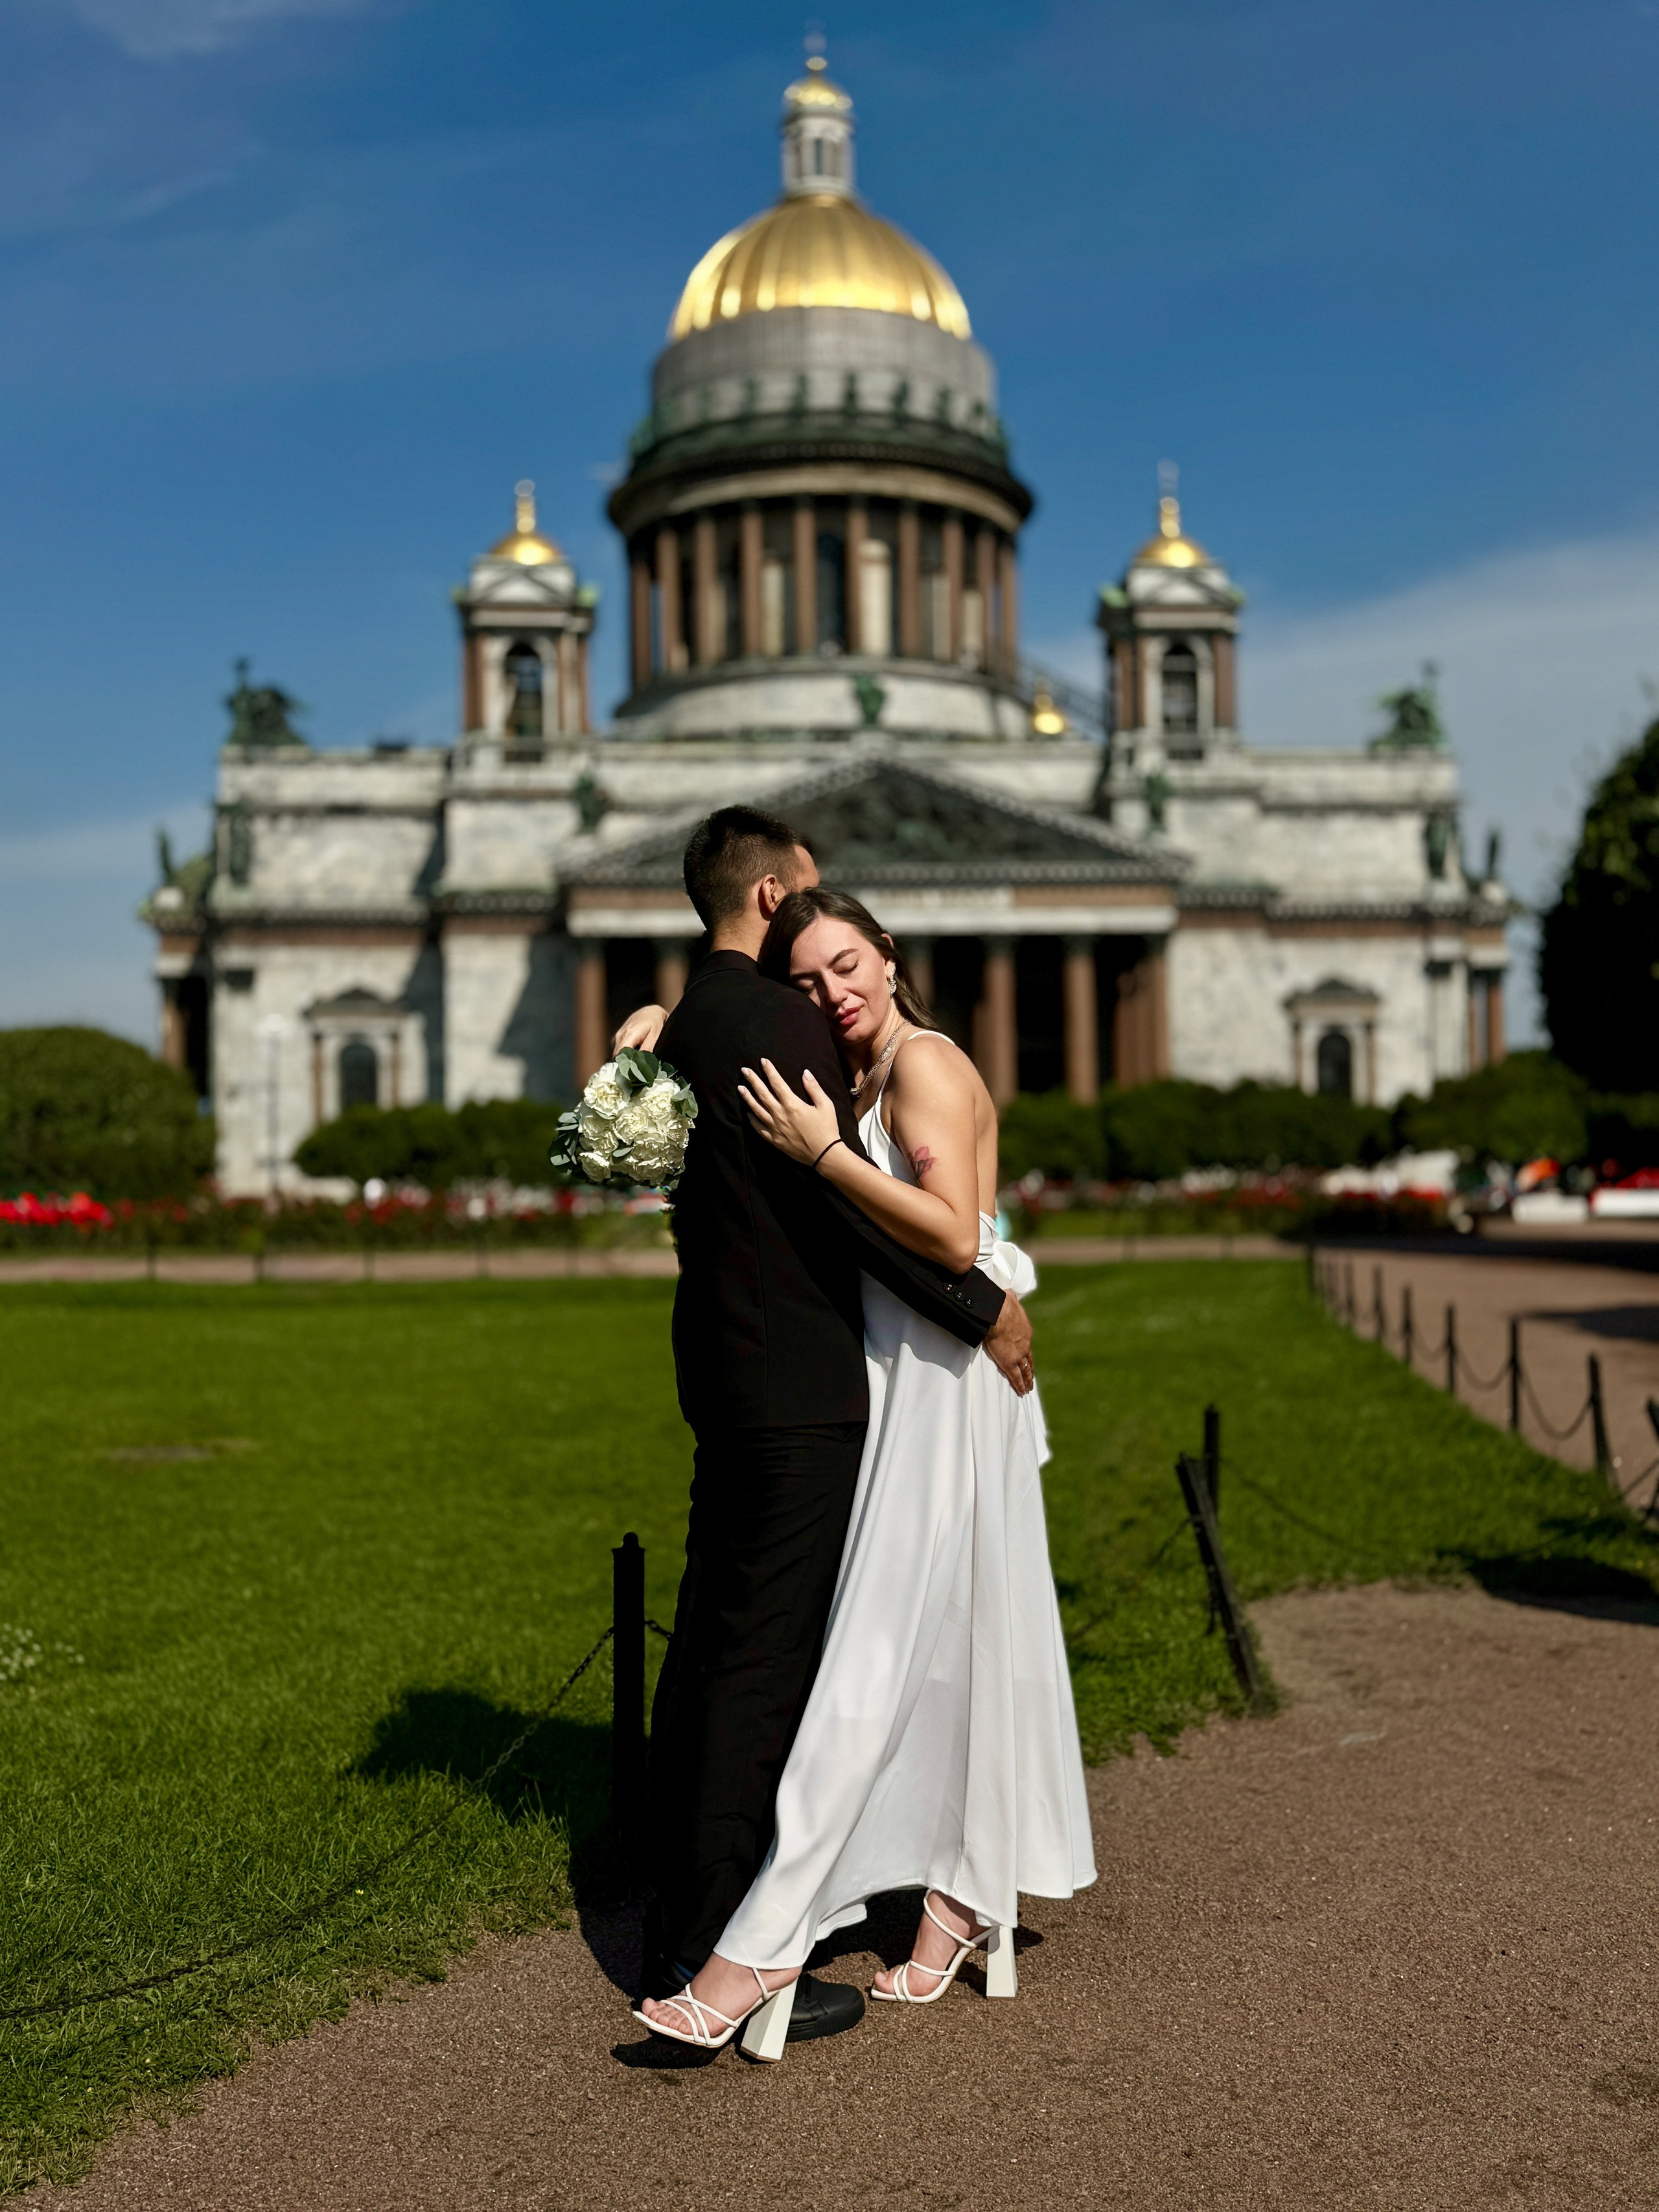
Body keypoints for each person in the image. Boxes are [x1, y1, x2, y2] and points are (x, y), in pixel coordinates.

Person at [636, 887, 1094, 2054]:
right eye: (805, 981)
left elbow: (953, 1234)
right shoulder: (860, 1069)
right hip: (906, 1373)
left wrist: (829, 1155)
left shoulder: (924, 1064)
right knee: (941, 1643)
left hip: (944, 1380)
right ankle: (959, 1899)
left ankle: (759, 1948)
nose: (831, 993)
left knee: (873, 1656)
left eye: (847, 965)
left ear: (889, 957)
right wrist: (658, 1022)